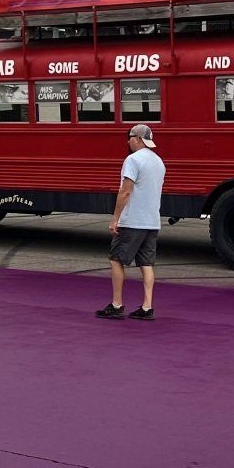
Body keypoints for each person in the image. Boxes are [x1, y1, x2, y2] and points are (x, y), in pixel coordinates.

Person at [98, 122, 164, 321]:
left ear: (137, 139)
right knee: (146, 263)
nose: (128, 141)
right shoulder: (159, 162)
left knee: (116, 259)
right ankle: (147, 306)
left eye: (130, 137)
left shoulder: (133, 160)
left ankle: (117, 304)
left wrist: (115, 218)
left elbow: (125, 191)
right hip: (152, 221)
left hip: (132, 220)